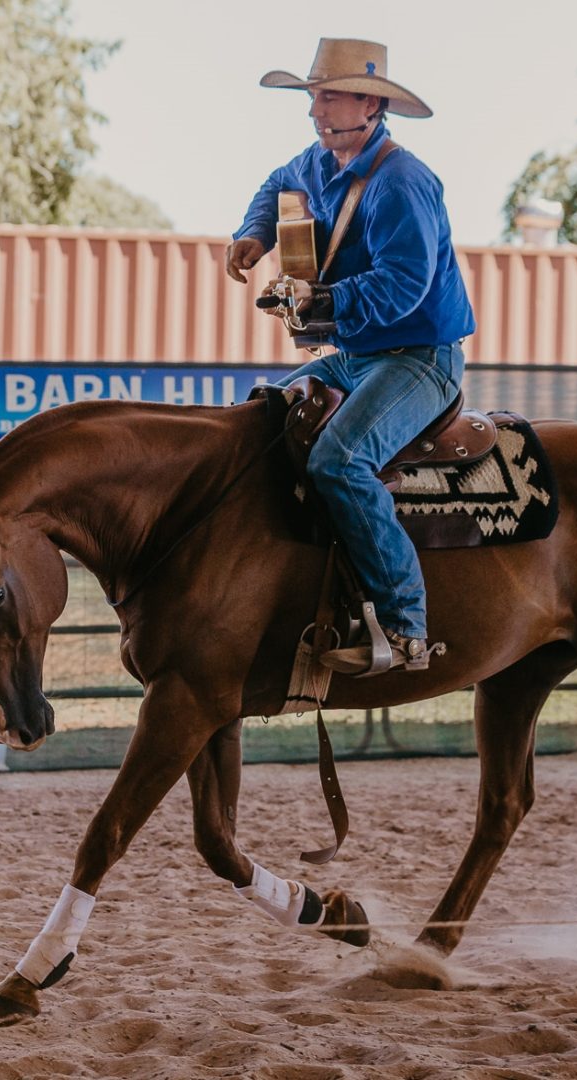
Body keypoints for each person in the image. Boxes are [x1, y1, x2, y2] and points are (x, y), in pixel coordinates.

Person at [227, 38, 476, 676]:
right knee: (259, 418)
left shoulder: (404, 181)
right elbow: (275, 184)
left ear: (369, 102)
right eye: (312, 96)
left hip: (418, 359)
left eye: (328, 96)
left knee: (341, 460)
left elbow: (404, 285)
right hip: (358, 354)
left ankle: (405, 629)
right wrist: (253, 233)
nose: (314, 110)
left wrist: (321, 295)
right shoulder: (314, 162)